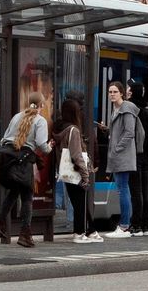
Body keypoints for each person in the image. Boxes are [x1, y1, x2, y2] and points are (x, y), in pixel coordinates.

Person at [0, 91, 52, 248]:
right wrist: (49, 148)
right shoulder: (40, 121)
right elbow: (41, 144)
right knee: (27, 197)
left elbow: (5, 136)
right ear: (42, 105)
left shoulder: (17, 116)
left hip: (6, 159)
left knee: (14, 191)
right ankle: (25, 234)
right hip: (23, 161)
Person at [56, 98, 101, 244]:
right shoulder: (73, 130)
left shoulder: (59, 128)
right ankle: (79, 232)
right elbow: (76, 154)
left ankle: (91, 230)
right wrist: (85, 174)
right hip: (75, 171)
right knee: (80, 202)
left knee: (78, 202)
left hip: (65, 171)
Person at [103, 81, 140, 238]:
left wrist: (117, 148)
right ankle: (125, 224)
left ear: (122, 93)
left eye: (115, 92)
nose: (112, 94)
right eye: (110, 92)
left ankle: (124, 225)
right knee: (123, 188)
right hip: (119, 155)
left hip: (122, 156)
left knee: (123, 188)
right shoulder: (117, 109)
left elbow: (129, 132)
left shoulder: (126, 109)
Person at [126, 80, 148, 236]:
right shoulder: (147, 107)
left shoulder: (131, 107)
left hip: (135, 152)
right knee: (145, 189)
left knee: (136, 190)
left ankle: (136, 225)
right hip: (147, 153)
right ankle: (146, 226)